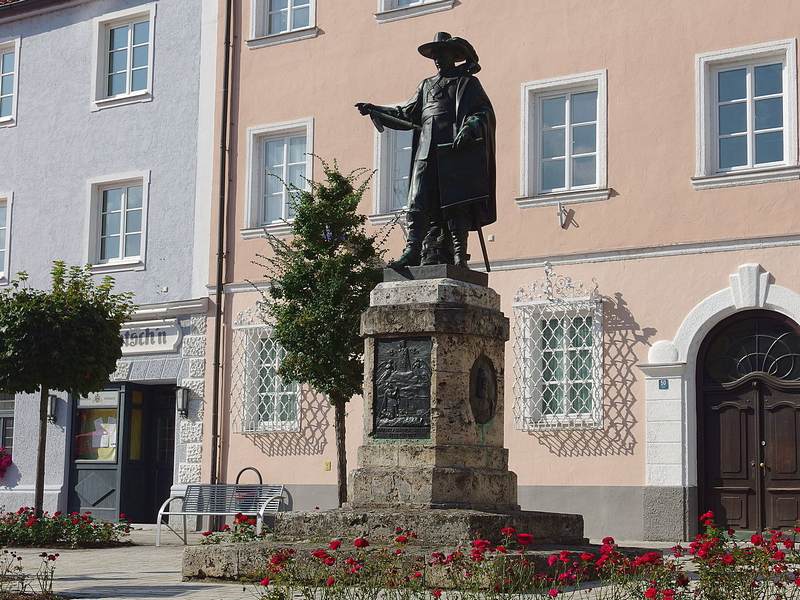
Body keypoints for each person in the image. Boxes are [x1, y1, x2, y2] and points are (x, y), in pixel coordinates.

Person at [356, 32, 496, 268]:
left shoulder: (467, 83)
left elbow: (483, 112)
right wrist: (376, 109)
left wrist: (469, 128)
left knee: (456, 202)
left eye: (442, 53)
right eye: (434, 55)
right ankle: (412, 250)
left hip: (453, 150)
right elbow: (406, 112)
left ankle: (460, 255)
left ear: (454, 55)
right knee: (417, 199)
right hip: (426, 150)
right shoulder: (426, 85)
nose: (437, 59)